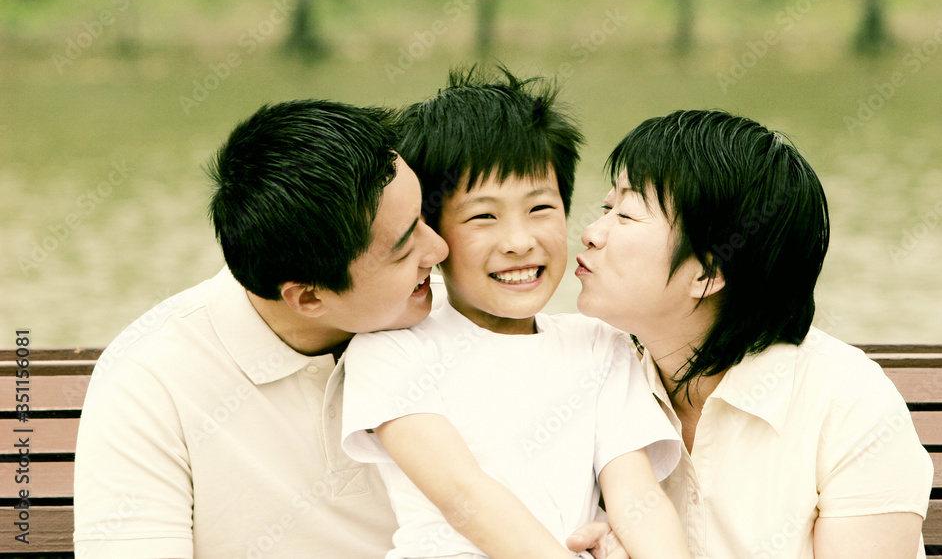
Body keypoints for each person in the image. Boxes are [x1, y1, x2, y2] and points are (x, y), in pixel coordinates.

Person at [340, 67, 691, 559]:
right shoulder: (391, 348)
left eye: (541, 208)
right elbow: (465, 496)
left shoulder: (599, 343)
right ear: (432, 231)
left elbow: (638, 497)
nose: (520, 242)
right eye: (484, 216)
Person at [73, 100, 450, 558]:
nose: (441, 249)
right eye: (405, 248)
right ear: (309, 297)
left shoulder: (453, 319)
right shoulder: (148, 380)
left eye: (426, 218)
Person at [575, 110, 934, 558]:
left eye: (626, 215)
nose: (590, 233)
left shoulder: (847, 406)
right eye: (606, 208)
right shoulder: (593, 374)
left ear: (707, 272)